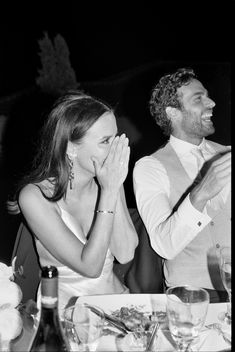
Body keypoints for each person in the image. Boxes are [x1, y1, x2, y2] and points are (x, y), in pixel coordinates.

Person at [16, 91, 138, 312]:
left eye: (116, 138)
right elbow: (89, 267)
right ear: (71, 148)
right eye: (105, 141)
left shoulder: (109, 180)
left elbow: (126, 252)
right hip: (65, 314)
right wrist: (109, 192)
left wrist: (113, 187)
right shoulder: (34, 196)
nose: (115, 150)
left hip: (117, 307)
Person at [133, 67, 231, 302]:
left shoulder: (226, 154)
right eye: (199, 98)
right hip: (190, 298)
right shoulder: (150, 167)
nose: (212, 103)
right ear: (173, 113)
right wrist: (201, 193)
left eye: (207, 95)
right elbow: (164, 245)